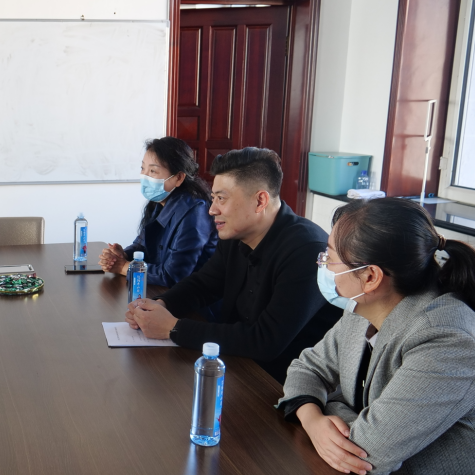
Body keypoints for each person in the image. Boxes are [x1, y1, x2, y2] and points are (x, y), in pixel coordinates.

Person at [278, 198, 475, 475]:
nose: (323, 266)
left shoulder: (447, 337)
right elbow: (305, 367)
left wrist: (332, 410)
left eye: (329, 257)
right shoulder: (363, 309)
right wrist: (314, 419)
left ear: (370, 276)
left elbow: (369, 450)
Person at [125, 147, 341, 383]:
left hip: (282, 383)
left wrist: (173, 328)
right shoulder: (236, 234)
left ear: (260, 201)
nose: (212, 209)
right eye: (213, 198)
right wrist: (160, 305)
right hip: (236, 363)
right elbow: (203, 285)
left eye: (221, 198)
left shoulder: (306, 250)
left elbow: (266, 341)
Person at [99, 137, 217, 287]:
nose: (145, 176)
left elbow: (173, 275)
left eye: (153, 171)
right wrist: (123, 255)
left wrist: (123, 267)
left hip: (194, 298)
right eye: (143, 169)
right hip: (162, 292)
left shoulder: (195, 212)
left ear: (179, 177)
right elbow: (142, 245)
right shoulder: (160, 202)